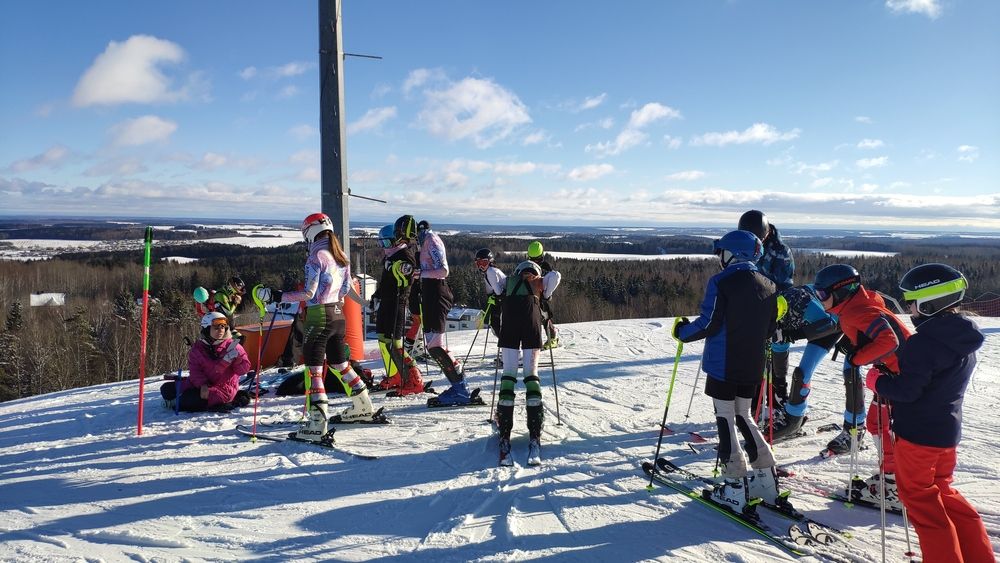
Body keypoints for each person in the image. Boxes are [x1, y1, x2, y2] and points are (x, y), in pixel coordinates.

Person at [867, 263, 992, 563]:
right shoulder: (962, 337)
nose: (909, 308)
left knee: (923, 503)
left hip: (918, 438)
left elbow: (908, 391)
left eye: (912, 301)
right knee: (944, 494)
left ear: (929, 302)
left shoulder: (922, 344)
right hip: (945, 434)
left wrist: (878, 381)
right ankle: (979, 557)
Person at [674, 230, 783, 513]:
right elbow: (770, 328)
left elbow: (708, 322)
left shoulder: (722, 282)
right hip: (752, 365)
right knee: (744, 415)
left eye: (722, 253)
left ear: (733, 253)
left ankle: (734, 483)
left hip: (724, 364)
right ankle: (765, 476)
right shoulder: (769, 284)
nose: (719, 259)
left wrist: (682, 332)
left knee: (725, 417)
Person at [257, 212, 380, 441]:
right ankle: (362, 405)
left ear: (309, 232)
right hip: (338, 315)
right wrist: (365, 303)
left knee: (313, 370)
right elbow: (346, 291)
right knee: (340, 364)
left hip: (318, 316)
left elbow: (308, 293)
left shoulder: (316, 256)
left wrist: (278, 295)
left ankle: (317, 423)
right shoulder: (340, 255)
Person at [814, 264, 910, 509]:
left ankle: (895, 485)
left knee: (882, 425)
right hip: (896, 373)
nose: (819, 298)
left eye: (822, 294)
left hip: (900, 376)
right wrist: (857, 342)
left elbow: (890, 341)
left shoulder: (857, 311)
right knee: (877, 423)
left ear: (841, 291)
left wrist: (857, 358)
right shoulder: (860, 305)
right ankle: (892, 477)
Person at [496, 259, 560, 466]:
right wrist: (544, 275)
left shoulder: (508, 281)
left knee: (508, 376)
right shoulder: (539, 282)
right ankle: (535, 434)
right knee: (531, 377)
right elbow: (556, 277)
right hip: (532, 328)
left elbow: (494, 278)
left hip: (509, 329)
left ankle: (505, 435)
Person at [738, 210, 794, 420]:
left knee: (775, 350)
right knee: (752, 357)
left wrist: (770, 308)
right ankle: (754, 401)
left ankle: (779, 396)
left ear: (766, 233)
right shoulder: (743, 244)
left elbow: (784, 284)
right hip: (749, 307)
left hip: (774, 306)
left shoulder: (780, 251)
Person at [768, 285, 842, 441]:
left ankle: (793, 422)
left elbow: (829, 325)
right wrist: (779, 386)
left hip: (833, 322)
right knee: (792, 372)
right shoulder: (772, 320)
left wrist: (791, 335)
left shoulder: (800, 302)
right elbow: (779, 351)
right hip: (815, 323)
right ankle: (788, 411)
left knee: (802, 373)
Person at [416, 219, 471, 405]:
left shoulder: (432, 240)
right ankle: (458, 381)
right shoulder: (425, 241)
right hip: (430, 293)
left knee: (435, 347)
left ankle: (460, 389)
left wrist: (420, 274)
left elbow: (443, 271)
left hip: (438, 293)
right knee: (432, 346)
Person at [371, 221, 425, 395]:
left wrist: (396, 267)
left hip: (397, 302)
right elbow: (386, 281)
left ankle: (414, 377)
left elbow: (408, 275)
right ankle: (394, 374)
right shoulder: (390, 256)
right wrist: (377, 295)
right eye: (381, 243)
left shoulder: (404, 254)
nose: (384, 247)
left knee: (395, 344)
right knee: (383, 340)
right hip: (386, 302)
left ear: (395, 240)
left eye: (386, 242)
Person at [160, 312, 252, 412]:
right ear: (207, 329)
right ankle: (186, 397)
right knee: (166, 389)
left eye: (223, 327)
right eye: (216, 327)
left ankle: (178, 402)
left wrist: (239, 359)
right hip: (202, 384)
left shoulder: (233, 346)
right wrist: (203, 384)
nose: (221, 330)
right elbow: (195, 371)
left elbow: (243, 370)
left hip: (223, 388)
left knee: (190, 398)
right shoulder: (198, 347)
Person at [527, 241, 560, 349]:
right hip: (535, 295)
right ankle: (549, 338)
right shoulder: (544, 266)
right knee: (542, 318)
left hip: (539, 295)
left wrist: (546, 295)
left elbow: (552, 279)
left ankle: (552, 337)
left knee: (544, 317)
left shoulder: (537, 266)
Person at [475, 247, 506, 341]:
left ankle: (507, 344)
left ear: (490, 261)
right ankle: (506, 344)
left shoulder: (491, 272)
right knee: (495, 326)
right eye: (478, 263)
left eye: (484, 263)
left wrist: (494, 298)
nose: (481, 266)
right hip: (500, 300)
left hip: (502, 301)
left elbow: (499, 292)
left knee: (496, 326)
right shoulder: (491, 271)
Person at [215, 276, 246, 341]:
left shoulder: (228, 294)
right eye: (239, 289)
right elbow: (228, 312)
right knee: (239, 339)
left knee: (241, 339)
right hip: (220, 328)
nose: (237, 293)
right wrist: (235, 303)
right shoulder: (222, 295)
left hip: (228, 325)